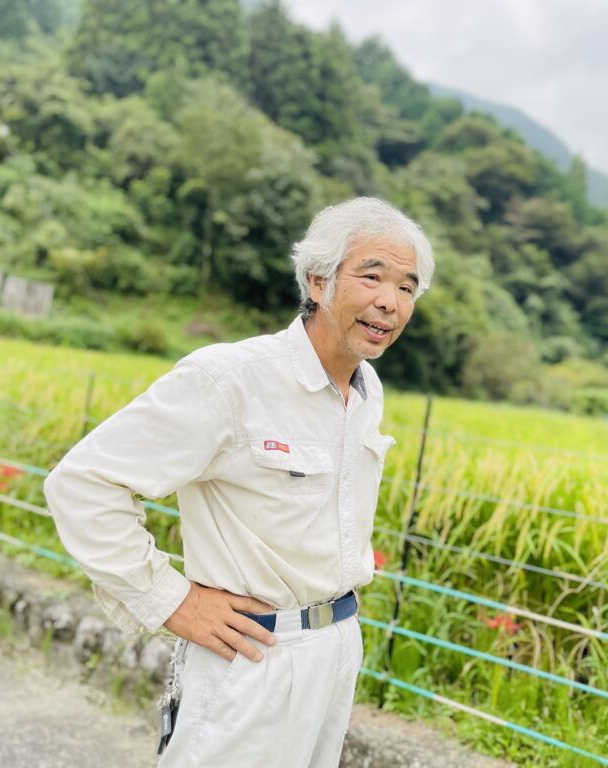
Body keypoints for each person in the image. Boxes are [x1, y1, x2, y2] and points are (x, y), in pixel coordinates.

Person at [43, 197, 434, 767]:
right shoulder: (230, 379)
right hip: (251, 656)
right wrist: (170, 600)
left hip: (336, 649)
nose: (389, 302)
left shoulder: (365, 389)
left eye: (406, 287)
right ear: (318, 281)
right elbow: (83, 482)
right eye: (372, 277)